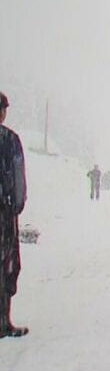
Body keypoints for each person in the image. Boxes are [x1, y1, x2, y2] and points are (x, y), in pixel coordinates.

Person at [0, 92, 29, 338]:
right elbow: (18, 179)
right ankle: (2, 322)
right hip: (3, 211)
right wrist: (17, 205)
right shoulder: (9, 140)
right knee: (6, 265)